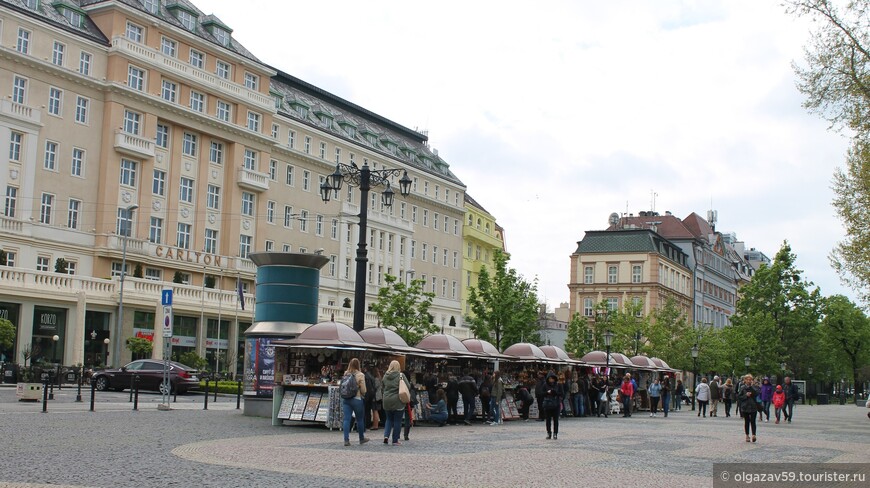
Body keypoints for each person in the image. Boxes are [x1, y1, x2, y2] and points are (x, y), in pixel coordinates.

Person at [341, 358, 370, 447]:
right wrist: (362, 393)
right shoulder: (360, 375)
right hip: (357, 398)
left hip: (346, 399)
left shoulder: (346, 374)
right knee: (360, 419)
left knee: (346, 419)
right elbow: (364, 389)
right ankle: (361, 438)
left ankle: (346, 440)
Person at [382, 360, 410, 446]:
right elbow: (408, 386)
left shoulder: (385, 376)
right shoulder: (401, 375)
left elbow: (383, 387)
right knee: (397, 421)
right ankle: (395, 440)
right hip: (397, 400)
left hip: (386, 399)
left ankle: (386, 436)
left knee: (389, 419)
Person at [737, 374, 760, 442]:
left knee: (753, 421)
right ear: (745, 380)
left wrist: (752, 387)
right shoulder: (742, 387)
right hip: (745, 406)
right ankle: (747, 435)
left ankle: (754, 435)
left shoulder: (754, 387)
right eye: (747, 379)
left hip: (753, 406)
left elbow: (757, 394)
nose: (749, 381)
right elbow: (739, 397)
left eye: (750, 380)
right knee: (746, 421)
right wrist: (745, 395)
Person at [541, 371, 563, 439]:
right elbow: (541, 393)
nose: (551, 380)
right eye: (550, 378)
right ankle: (549, 433)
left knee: (555, 420)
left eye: (552, 378)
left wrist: (555, 393)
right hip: (548, 404)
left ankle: (555, 433)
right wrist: (547, 393)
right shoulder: (545, 385)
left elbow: (562, 393)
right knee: (548, 420)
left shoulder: (558, 385)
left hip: (556, 404)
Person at [402, 370, 417, 441]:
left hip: (401, 402)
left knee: (398, 418)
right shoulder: (410, 384)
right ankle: (406, 435)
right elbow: (414, 393)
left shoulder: (401, 383)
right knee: (407, 419)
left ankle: (396, 435)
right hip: (408, 402)